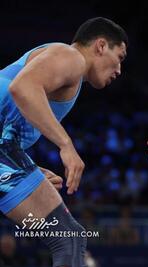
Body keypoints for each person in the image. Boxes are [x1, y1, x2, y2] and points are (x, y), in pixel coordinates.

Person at [0, 17, 128, 267]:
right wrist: (66, 145)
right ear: (101, 46)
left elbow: (9, 127)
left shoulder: (68, 73)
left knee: (68, 237)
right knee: (68, 239)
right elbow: (22, 88)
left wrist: (30, 168)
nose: (119, 70)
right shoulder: (71, 56)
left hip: (5, 153)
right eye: (120, 57)